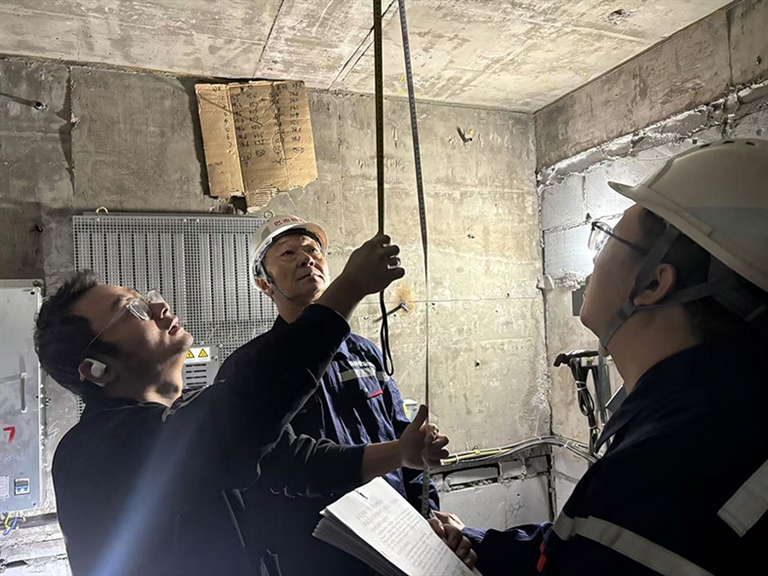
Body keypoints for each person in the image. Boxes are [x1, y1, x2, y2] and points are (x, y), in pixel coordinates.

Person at [431, 139, 768, 575]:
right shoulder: (728, 422)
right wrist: (480, 544)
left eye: (609, 236)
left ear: (653, 284)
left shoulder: (652, 478)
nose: (595, 259)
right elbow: (580, 549)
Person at [34, 235, 450, 576]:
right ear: (97, 369)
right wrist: (350, 288)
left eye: (145, 297)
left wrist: (400, 453)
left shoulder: (178, 419)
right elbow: (245, 408)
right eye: (132, 310)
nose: (159, 307)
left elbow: (296, 463)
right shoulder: (93, 451)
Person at [215, 215, 442, 575]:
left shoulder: (365, 353)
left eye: (313, 251)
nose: (306, 259)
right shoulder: (250, 368)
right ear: (264, 282)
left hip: (393, 539)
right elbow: (269, 471)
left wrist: (428, 518)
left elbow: (405, 439)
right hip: (314, 554)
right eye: (288, 254)